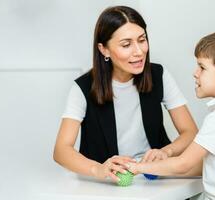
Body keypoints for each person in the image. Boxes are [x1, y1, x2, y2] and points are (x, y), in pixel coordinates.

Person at [53, 5, 198, 183]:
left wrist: (166, 152)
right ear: (104, 49)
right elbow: (61, 150)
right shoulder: (83, 87)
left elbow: (190, 132)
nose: (139, 52)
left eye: (142, 40)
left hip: (153, 177)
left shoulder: (159, 75)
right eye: (126, 44)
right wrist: (97, 169)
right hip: (105, 183)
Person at [127, 31, 215, 199]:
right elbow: (206, 165)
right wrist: (161, 164)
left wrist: (136, 167)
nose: (195, 73)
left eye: (202, 67)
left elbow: (184, 164)